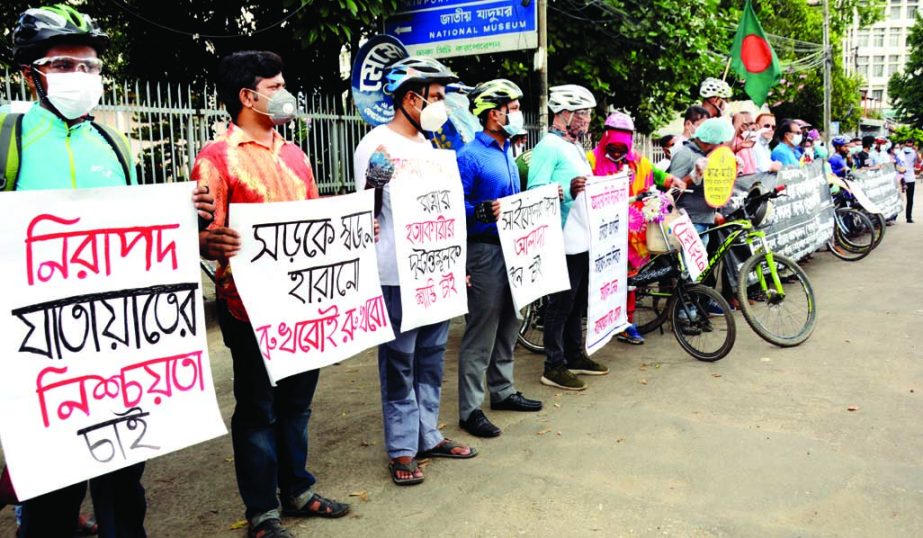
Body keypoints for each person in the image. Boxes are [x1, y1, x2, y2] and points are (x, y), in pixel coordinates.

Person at [7, 5, 213, 537]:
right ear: (30, 73)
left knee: (124, 483)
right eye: (65, 65)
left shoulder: (115, 144)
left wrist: (189, 224)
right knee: (51, 493)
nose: (83, 77)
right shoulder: (7, 139)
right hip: (39, 355)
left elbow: (138, 237)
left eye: (92, 66)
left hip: (114, 352)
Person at [194, 51, 350, 538]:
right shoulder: (216, 158)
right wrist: (206, 239)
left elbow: (318, 226)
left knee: (298, 405)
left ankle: (298, 489)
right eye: (276, 85)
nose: (286, 93)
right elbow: (201, 233)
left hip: (303, 307)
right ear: (248, 96)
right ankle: (263, 511)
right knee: (258, 409)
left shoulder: (296, 155)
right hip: (248, 308)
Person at [353, 56, 477, 486]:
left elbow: (445, 215)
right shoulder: (376, 146)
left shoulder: (430, 149)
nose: (441, 106)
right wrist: (374, 182)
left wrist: (453, 263)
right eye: (436, 97)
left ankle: (429, 434)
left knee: (430, 359)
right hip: (396, 275)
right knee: (400, 363)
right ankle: (403, 448)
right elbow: (364, 212)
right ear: (411, 98)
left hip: (435, 276)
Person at [455, 79, 543, 438]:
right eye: (514, 107)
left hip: (514, 249)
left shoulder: (507, 151)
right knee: (481, 329)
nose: (518, 113)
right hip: (484, 251)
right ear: (495, 113)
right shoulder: (469, 156)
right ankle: (469, 408)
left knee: (510, 321)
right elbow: (451, 208)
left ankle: (503, 390)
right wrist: (479, 213)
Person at [527, 84, 608, 392]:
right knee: (560, 303)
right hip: (561, 237)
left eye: (588, 114)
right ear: (564, 114)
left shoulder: (573, 145)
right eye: (583, 114)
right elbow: (535, 189)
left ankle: (574, 355)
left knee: (576, 302)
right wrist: (564, 193)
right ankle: (554, 364)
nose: (587, 120)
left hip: (581, 236)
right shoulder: (549, 146)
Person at [590, 111, 676, 345]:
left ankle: (626, 324)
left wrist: (672, 181)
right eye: (613, 149)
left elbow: (659, 175)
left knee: (628, 283)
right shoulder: (590, 161)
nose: (617, 154)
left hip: (631, 237)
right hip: (600, 236)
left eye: (622, 150)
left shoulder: (638, 162)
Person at [668, 117, 736, 245]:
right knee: (690, 265)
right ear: (712, 140)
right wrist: (693, 176)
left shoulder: (706, 155)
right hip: (688, 223)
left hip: (703, 221)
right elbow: (670, 191)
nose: (722, 146)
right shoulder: (686, 154)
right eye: (721, 142)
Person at [731, 110, 758, 175]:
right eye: (750, 124)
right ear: (741, 126)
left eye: (754, 123)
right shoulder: (733, 143)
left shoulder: (749, 142)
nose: (754, 127)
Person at [900, 142, 917, 222]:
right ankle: (893, 217)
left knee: (910, 199)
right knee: (897, 198)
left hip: (910, 178)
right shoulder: (900, 152)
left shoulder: (914, 153)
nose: (908, 148)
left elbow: (919, 162)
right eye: (907, 145)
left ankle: (908, 217)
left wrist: (916, 152)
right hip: (900, 178)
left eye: (910, 146)